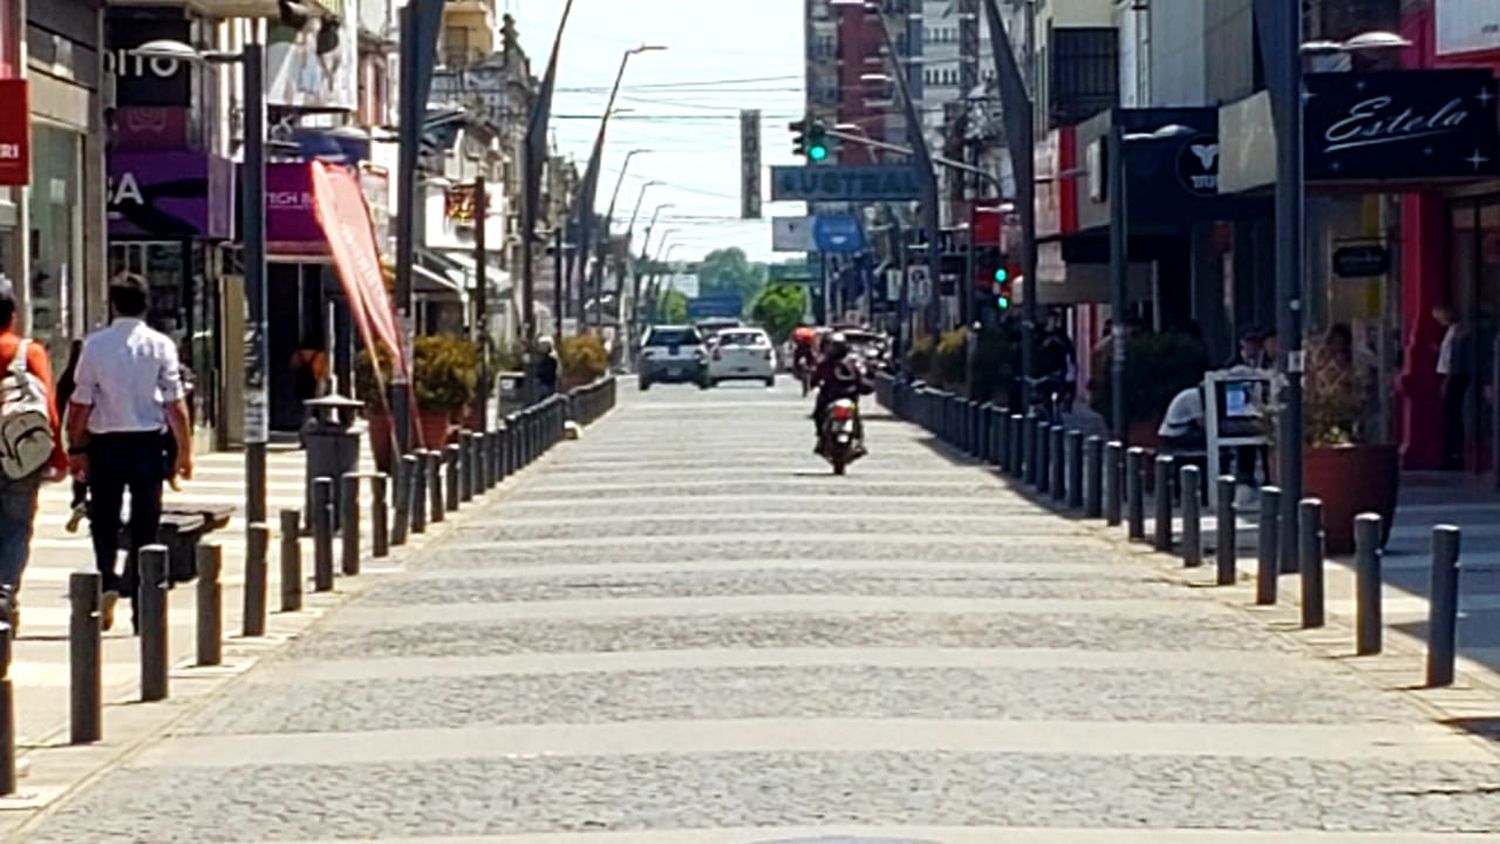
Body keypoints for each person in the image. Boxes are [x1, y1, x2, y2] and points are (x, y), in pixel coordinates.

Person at [69, 275, 193, 632]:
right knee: (145, 524)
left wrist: (75, 447)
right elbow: (175, 404)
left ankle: (107, 579)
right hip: (147, 444)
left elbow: (80, 404)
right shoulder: (160, 345)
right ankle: (142, 603)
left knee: (104, 518)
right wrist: (185, 452)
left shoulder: (95, 346)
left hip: (106, 443)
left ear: (113, 304)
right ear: (146, 303)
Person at [0, 277, 67, 630]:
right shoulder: (28, 352)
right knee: (15, 527)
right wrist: (57, 456)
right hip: (19, 456)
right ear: (12, 315)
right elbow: (46, 408)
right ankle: (4, 592)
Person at [811, 332, 873, 451]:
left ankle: (822, 438)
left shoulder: (834, 362)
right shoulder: (850, 362)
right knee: (820, 413)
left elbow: (862, 377)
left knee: (820, 413)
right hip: (843, 397)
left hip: (835, 397)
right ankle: (857, 440)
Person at [55, 339, 88, 532]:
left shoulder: (70, 376)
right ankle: (84, 502)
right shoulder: (95, 373)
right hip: (98, 428)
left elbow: (59, 403)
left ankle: (79, 500)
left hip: (75, 428)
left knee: (80, 469)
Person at [1434, 305, 1473, 469]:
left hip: (1455, 377)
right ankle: (1452, 452)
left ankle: (1455, 454)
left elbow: (1454, 359)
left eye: (1439, 315)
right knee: (1450, 415)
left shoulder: (1458, 332)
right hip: (1450, 375)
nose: (1438, 320)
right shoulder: (1451, 332)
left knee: (1453, 415)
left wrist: (1447, 381)